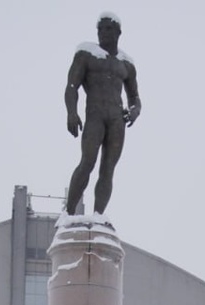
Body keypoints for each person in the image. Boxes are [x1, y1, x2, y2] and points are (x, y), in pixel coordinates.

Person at [64, 12, 141, 215]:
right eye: (100, 29)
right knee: (87, 162)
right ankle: (68, 213)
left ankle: (98, 215)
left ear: (118, 32)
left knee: (108, 169)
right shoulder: (86, 54)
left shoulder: (126, 64)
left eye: (108, 28)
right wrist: (71, 113)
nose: (103, 32)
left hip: (117, 119)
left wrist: (134, 111)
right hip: (95, 114)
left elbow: (135, 97)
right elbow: (72, 86)